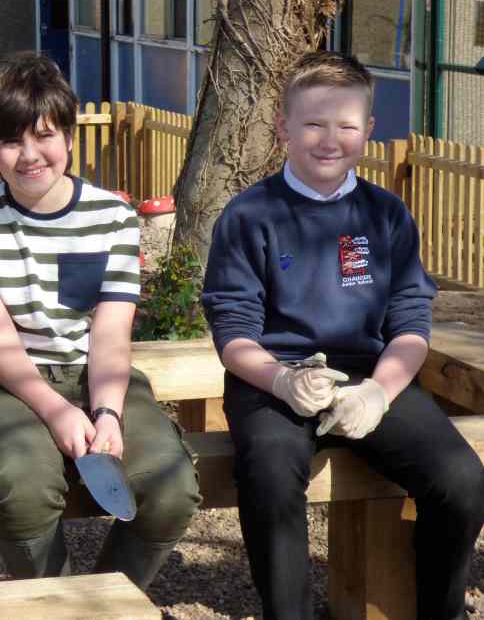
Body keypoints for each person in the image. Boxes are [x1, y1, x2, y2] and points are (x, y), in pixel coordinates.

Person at [201, 50, 484, 620]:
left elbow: (410, 323)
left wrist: (378, 392)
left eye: (346, 126)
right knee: (269, 475)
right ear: (283, 128)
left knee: (462, 480)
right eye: (313, 124)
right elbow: (232, 333)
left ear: (368, 130)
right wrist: (283, 380)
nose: (330, 140)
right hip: (273, 382)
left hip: (368, 375)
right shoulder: (248, 215)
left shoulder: (386, 214)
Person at [0, 52, 201, 589]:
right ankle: (57, 602)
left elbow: (111, 335)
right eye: (11, 141)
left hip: (101, 375)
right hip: (9, 384)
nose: (30, 155)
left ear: (67, 134)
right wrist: (57, 410)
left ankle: (106, 600)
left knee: (173, 490)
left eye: (44, 135)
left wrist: (106, 412)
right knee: (21, 490)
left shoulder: (113, 216)